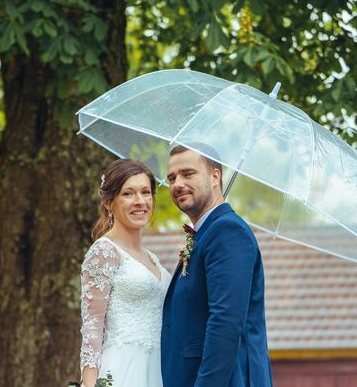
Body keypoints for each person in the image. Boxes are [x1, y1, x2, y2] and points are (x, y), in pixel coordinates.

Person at [161, 144, 272, 387]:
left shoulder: (228, 231)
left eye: (188, 174)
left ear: (215, 176)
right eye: (171, 177)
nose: (177, 183)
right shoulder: (206, 233)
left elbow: (226, 322)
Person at [80, 159, 171, 387]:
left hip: (161, 369)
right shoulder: (103, 252)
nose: (140, 201)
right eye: (128, 193)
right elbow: (92, 330)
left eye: (146, 192)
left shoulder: (153, 259)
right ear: (109, 202)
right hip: (123, 370)